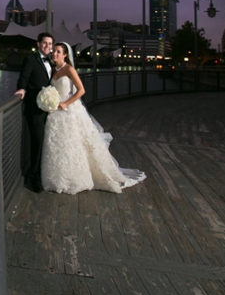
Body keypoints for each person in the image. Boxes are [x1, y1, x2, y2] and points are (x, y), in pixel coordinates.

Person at [41, 42, 146, 194]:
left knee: (73, 142)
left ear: (65, 55)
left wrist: (66, 103)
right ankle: (56, 176)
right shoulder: (53, 70)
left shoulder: (69, 69)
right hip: (55, 112)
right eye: (54, 51)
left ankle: (76, 177)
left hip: (68, 109)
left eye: (58, 52)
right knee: (57, 143)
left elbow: (81, 90)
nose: (54, 54)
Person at [14, 31, 54, 193]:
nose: (47, 46)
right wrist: (22, 89)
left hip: (48, 110)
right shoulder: (30, 59)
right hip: (34, 108)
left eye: (50, 44)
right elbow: (24, 77)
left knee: (44, 142)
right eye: (44, 43)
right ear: (38, 44)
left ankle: (41, 174)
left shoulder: (51, 62)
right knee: (37, 142)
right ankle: (33, 178)